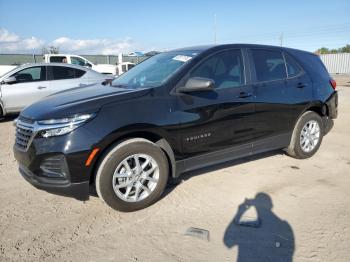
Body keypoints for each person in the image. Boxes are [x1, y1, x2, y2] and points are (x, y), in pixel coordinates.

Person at [224, 193, 294, 262]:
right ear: (271, 206)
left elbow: (228, 241)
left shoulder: (247, 227)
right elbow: (286, 253)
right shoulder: (282, 226)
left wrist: (240, 212)